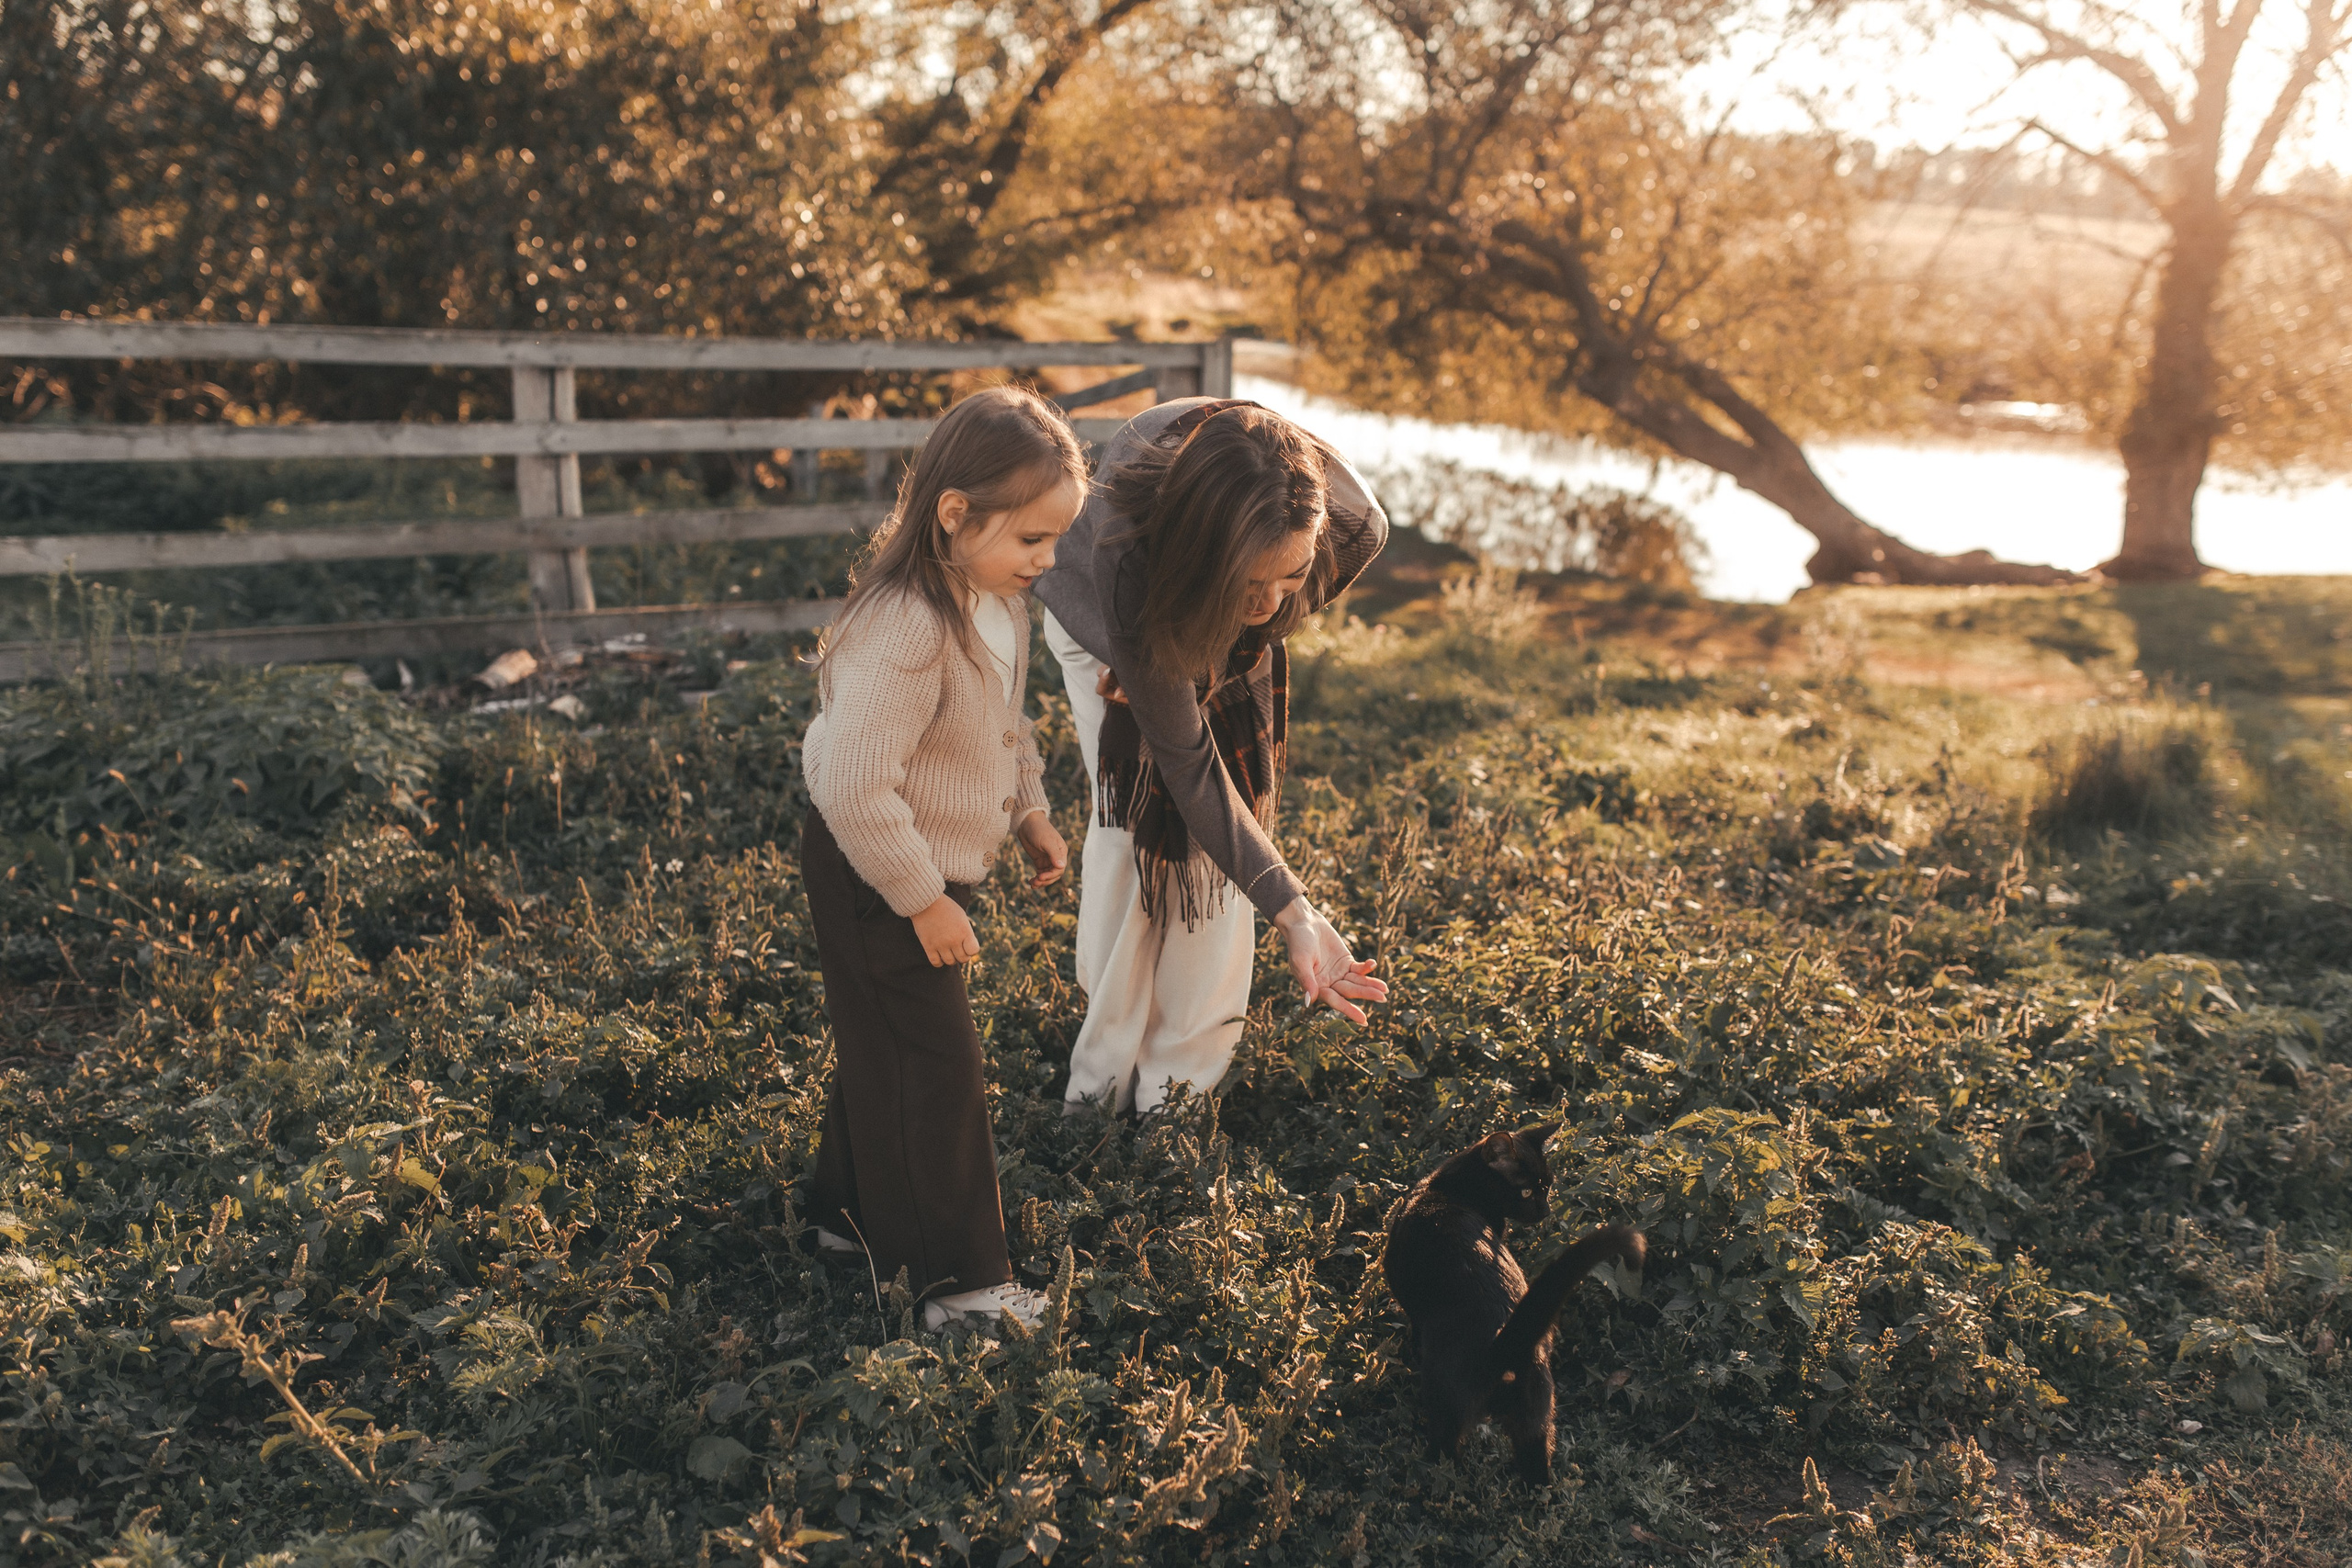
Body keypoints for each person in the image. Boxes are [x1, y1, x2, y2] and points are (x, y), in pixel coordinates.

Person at [799, 386, 1080, 1331]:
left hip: (913, 857)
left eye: (1054, 541)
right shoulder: (907, 623)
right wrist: (922, 901)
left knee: (885, 1037)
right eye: (1030, 540)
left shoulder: (992, 604)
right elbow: (852, 785)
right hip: (872, 863)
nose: (1045, 562)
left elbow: (1000, 726)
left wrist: (1033, 810)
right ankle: (956, 1285)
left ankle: (845, 1216)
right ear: (954, 515)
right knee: (935, 1065)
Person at [1036, 397, 1390, 1115]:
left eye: (1286, 578)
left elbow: (1268, 608)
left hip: (1207, 608)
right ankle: (1099, 1090)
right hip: (1108, 631)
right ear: (1209, 556)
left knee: (1221, 854)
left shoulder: (1348, 522)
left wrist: (1292, 914)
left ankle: (1175, 1097)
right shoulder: (1128, 556)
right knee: (1137, 836)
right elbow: (1187, 759)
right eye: (1249, 585)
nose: (1267, 603)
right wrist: (1294, 910)